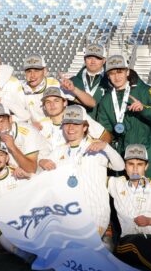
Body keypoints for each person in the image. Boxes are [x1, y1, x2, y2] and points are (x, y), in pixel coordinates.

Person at [43, 105, 125, 247]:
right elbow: (42, 180)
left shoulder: (98, 147)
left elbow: (120, 166)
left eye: (76, 124)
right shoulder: (58, 151)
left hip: (95, 212)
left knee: (76, 247)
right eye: (67, 124)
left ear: (85, 127)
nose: (71, 128)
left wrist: (106, 147)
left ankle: (105, 236)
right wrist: (42, 162)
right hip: (68, 213)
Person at [96, 54, 151, 182]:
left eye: (120, 72)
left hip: (150, 157)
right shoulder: (106, 101)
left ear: (127, 72)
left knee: (148, 198)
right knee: (123, 198)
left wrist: (144, 109)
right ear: (108, 76)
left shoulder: (147, 92)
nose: (117, 76)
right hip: (124, 158)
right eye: (112, 73)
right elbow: (105, 132)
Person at [0, 103, 41, 174]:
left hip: (42, 173)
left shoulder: (27, 131)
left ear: (10, 119)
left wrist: (12, 147)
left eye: (2, 121)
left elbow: (32, 169)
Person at [69, 43, 109, 115]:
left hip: (102, 125)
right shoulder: (73, 81)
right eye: (89, 58)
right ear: (84, 59)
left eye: (97, 58)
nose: (93, 61)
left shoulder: (110, 81)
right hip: (79, 124)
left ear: (104, 60)